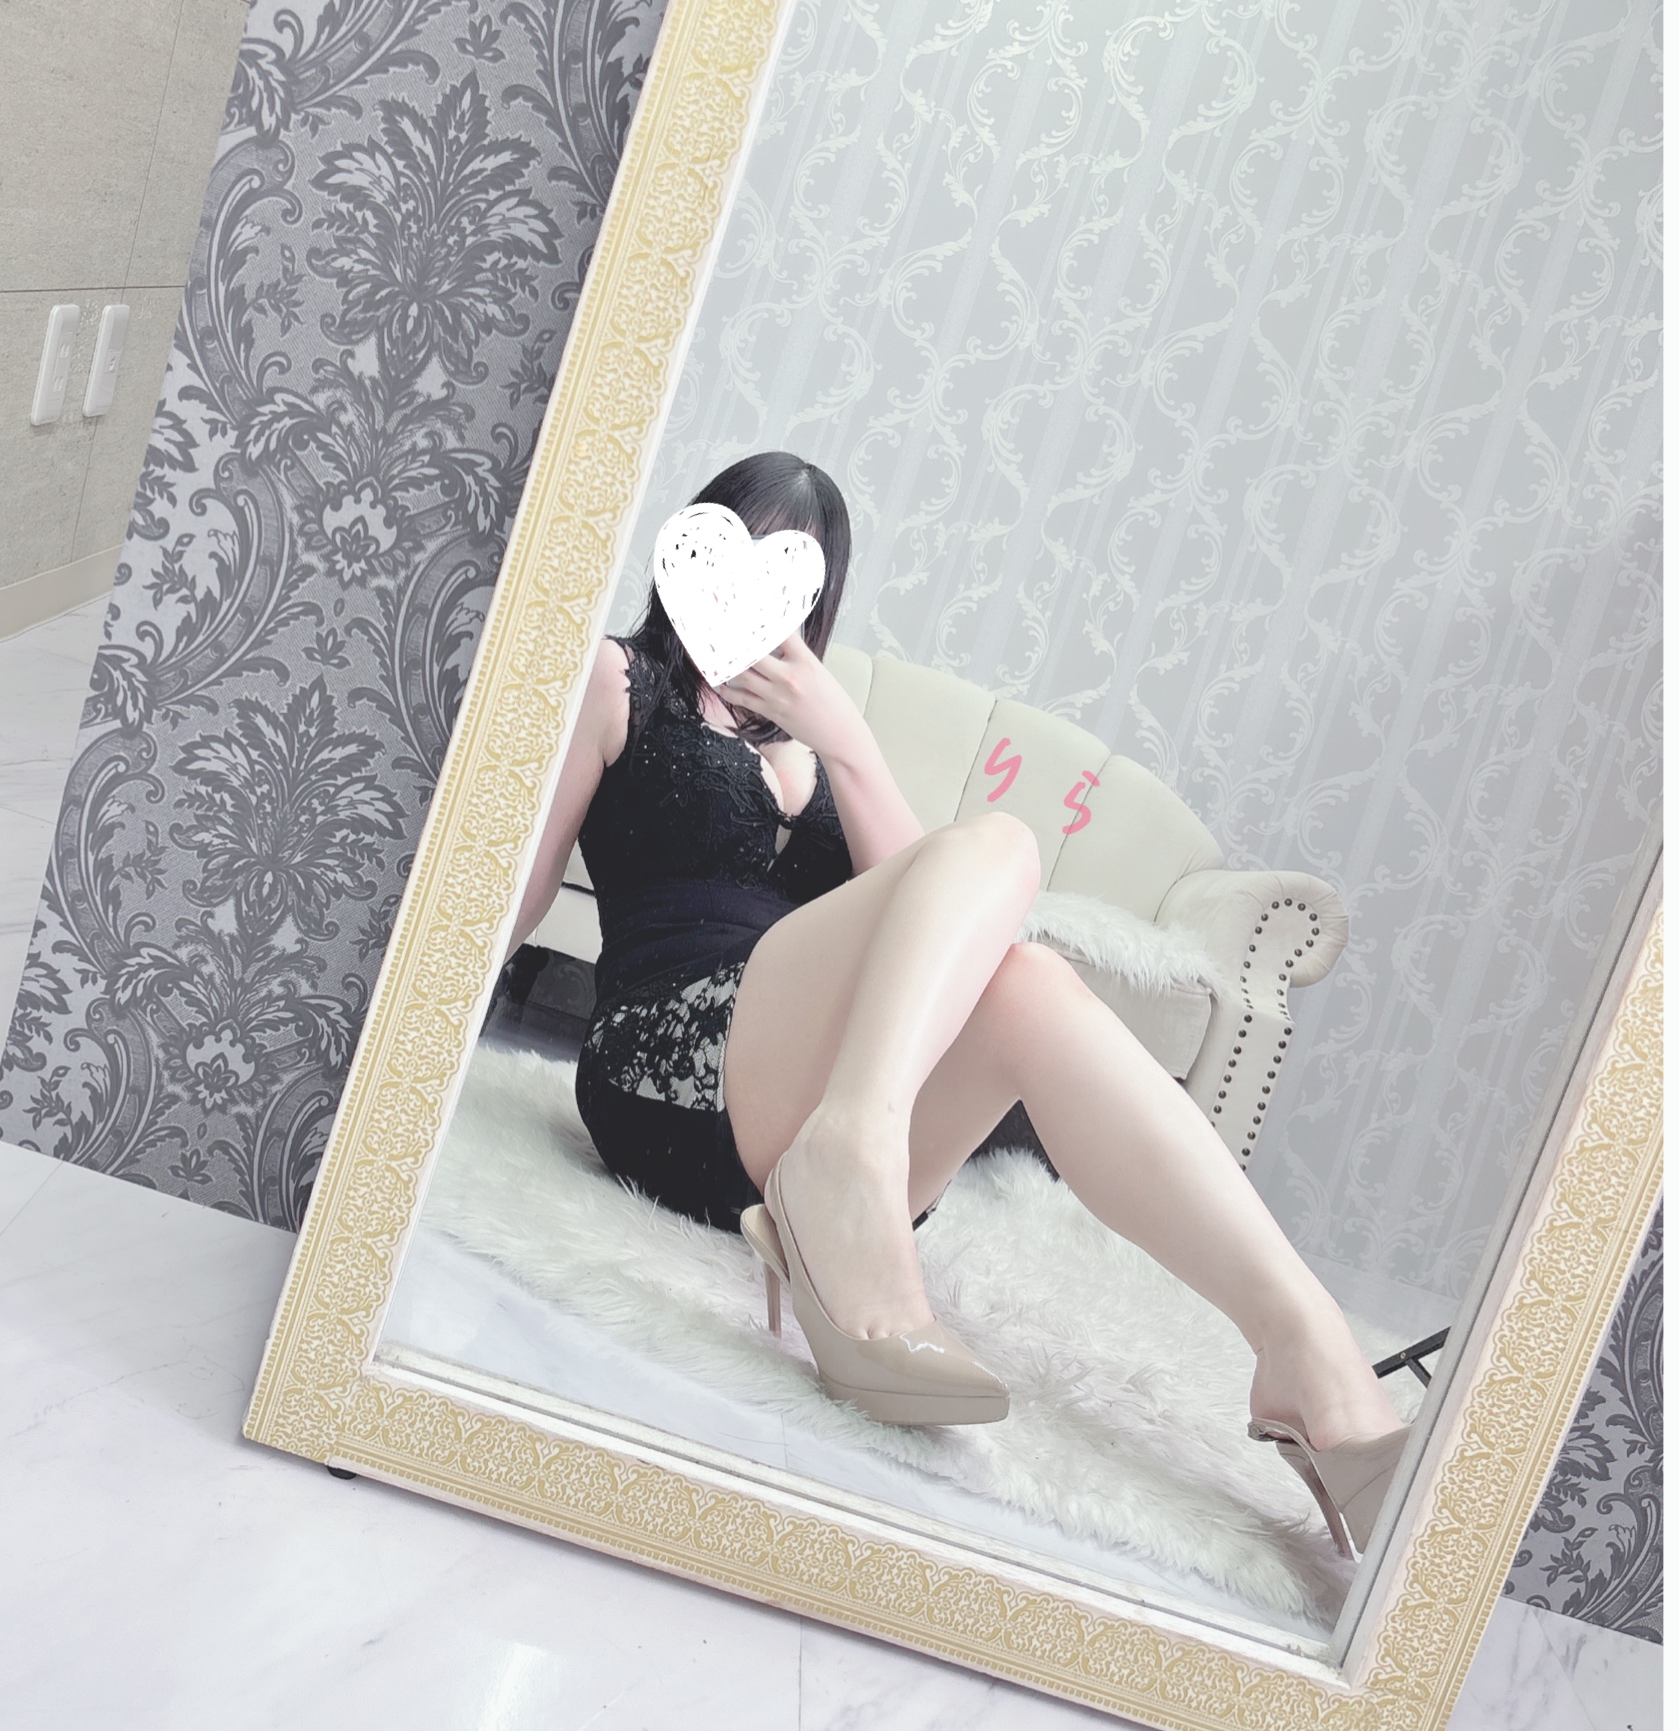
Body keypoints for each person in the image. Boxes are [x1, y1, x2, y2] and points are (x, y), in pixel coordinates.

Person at [510, 451, 1408, 1558]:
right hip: (669, 1059)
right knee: (1002, 844)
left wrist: (844, 738)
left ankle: (1305, 1353)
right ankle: (845, 1161)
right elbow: (522, 880)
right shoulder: (620, 678)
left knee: (1026, 977)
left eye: (786, 576)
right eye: (734, 554)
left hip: (808, 1106)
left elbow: (925, 898)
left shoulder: (816, 742)